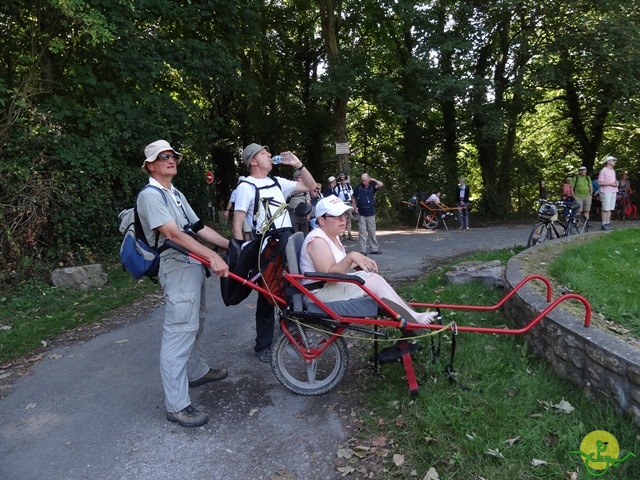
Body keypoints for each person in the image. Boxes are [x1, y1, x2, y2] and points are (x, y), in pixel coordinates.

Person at [137, 139, 230, 428]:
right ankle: (177, 405)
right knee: (179, 332)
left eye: (173, 155)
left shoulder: (173, 192)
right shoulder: (151, 196)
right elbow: (174, 235)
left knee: (195, 323)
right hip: (175, 268)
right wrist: (212, 258)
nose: (170, 159)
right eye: (162, 156)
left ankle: (197, 371)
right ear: (150, 166)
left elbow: (199, 227)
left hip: (191, 266)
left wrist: (231, 247)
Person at [232, 143, 316, 362]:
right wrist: (239, 251)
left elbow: (311, 185)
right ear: (253, 161)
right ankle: (264, 345)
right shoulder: (246, 187)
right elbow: (238, 220)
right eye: (263, 153)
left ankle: (291, 334)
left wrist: (298, 164)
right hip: (266, 246)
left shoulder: (277, 182)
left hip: (287, 242)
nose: (269, 154)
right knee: (268, 295)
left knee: (291, 290)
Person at [299, 196, 437, 325]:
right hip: (317, 294)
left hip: (327, 288)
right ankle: (412, 318)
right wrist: (352, 256)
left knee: (374, 278)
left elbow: (338, 266)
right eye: (336, 216)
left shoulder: (330, 236)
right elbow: (330, 276)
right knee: (372, 281)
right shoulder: (317, 241)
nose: (343, 219)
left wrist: (360, 259)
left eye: (344, 215)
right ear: (321, 220)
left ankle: (411, 314)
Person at [352, 173, 383, 255]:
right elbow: (353, 197)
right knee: (362, 232)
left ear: (369, 180)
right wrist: (355, 207)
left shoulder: (372, 186)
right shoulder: (358, 187)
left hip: (370, 212)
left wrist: (374, 180)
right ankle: (363, 250)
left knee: (372, 231)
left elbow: (381, 184)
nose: (363, 182)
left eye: (365, 180)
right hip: (361, 213)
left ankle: (374, 249)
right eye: (362, 180)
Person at [597, 155, 618, 230]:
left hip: (613, 191)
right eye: (613, 160)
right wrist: (610, 184)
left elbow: (614, 180)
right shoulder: (603, 170)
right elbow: (599, 182)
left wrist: (616, 183)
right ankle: (603, 224)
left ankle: (608, 223)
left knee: (610, 208)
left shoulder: (613, 171)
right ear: (608, 162)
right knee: (605, 208)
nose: (615, 162)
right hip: (605, 191)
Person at [288, 170, 311, 235]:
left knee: (305, 234)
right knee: (295, 235)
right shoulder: (290, 188)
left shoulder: (305, 189)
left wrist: (308, 213)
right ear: (295, 178)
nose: (302, 179)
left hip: (303, 214)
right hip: (293, 214)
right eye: (300, 177)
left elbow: (308, 202)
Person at [336, 173, 355, 241]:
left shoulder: (349, 187)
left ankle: (349, 234)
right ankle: (343, 234)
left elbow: (352, 196)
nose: (343, 180)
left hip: (348, 204)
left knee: (349, 219)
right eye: (342, 179)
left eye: (344, 179)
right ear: (340, 180)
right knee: (343, 219)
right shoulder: (337, 188)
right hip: (341, 204)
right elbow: (336, 197)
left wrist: (353, 205)